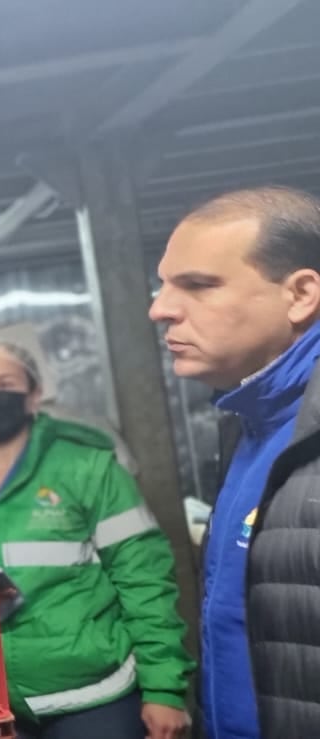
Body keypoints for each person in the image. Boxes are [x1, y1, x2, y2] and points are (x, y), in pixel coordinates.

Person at [0, 339, 193, 739]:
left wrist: (164, 688)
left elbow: (144, 577)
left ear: (34, 395)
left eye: (5, 382)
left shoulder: (87, 466)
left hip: (92, 696)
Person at [150, 185, 320, 739]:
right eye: (165, 284)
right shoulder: (251, 424)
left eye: (197, 285)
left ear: (300, 294)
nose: (160, 308)